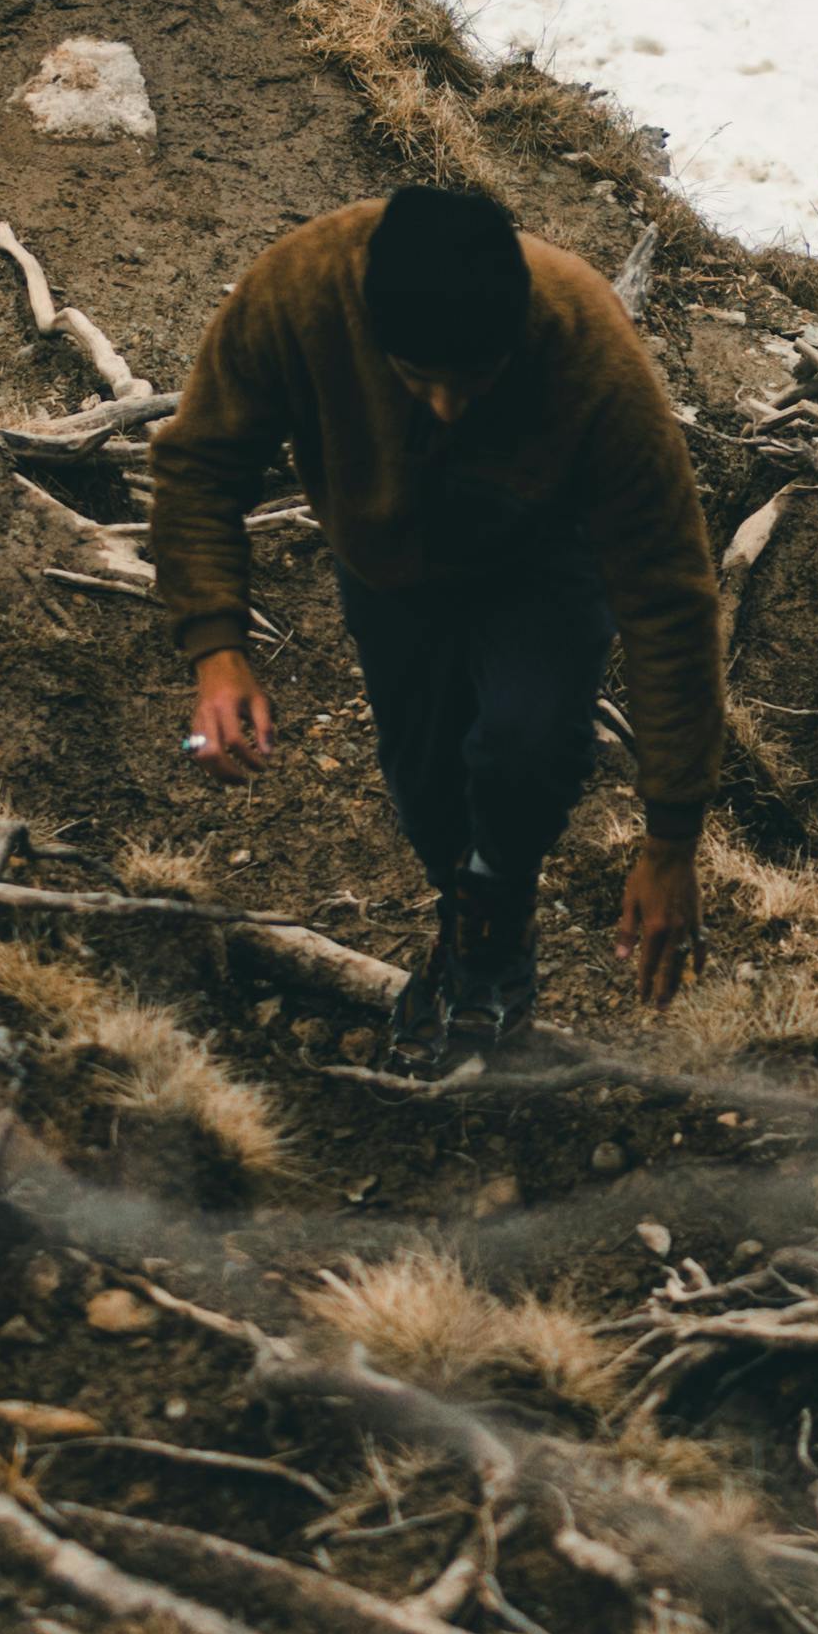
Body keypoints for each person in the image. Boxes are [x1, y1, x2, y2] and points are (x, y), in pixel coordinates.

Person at [152, 175, 722, 1049]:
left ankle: (496, 919)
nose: (449, 407)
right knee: (422, 784)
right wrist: (217, 650)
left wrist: (672, 837)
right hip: (386, 565)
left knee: (527, 748)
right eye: (420, 379)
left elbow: (669, 595)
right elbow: (200, 464)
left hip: (542, 563)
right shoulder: (298, 292)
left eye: (477, 381)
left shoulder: (590, 351)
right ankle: (468, 907)